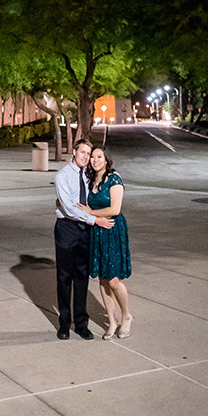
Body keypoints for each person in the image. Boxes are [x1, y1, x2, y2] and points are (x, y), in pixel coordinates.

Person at [54, 138, 114, 340]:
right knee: (64, 278)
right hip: (67, 229)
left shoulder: (89, 176)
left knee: (82, 277)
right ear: (74, 152)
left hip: (85, 231)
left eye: (89, 154)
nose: (86, 157)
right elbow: (69, 208)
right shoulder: (62, 176)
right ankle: (64, 324)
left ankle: (81, 324)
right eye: (83, 152)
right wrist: (94, 220)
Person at [77, 144, 133, 340]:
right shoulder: (91, 179)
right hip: (97, 232)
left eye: (99, 156)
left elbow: (115, 209)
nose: (95, 160)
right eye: (93, 157)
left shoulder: (114, 178)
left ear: (106, 159)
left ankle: (126, 316)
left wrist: (90, 212)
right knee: (102, 278)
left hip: (112, 230)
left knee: (113, 279)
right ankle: (112, 321)